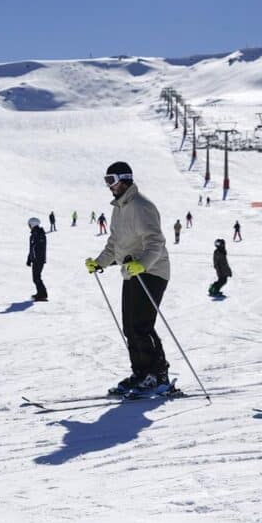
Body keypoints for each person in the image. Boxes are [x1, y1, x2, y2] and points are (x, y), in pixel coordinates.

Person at [85, 161, 172, 395]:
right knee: (130, 327)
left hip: (152, 272)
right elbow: (114, 244)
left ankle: (158, 374)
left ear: (124, 179)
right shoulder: (119, 208)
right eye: (106, 181)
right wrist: (99, 262)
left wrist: (141, 265)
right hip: (131, 273)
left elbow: (156, 242)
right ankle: (142, 373)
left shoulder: (142, 206)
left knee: (142, 325)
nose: (109, 186)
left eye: (111, 181)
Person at [26, 217, 48, 301]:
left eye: (29, 225)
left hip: (38, 260)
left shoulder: (38, 234)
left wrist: (35, 258)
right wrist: (29, 259)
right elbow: (32, 248)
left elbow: (38, 248)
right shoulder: (35, 234)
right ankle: (41, 293)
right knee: (36, 278)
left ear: (32, 224)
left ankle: (42, 294)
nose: (29, 226)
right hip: (36, 259)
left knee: (36, 278)